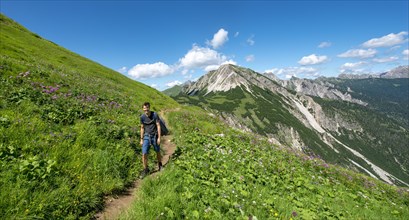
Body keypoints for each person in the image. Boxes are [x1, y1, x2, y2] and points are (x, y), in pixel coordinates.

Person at [140, 102, 163, 177]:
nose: (146, 110)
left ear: (149, 108)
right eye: (144, 108)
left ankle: (160, 165)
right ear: (143, 109)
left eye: (147, 108)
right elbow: (142, 127)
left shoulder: (155, 115)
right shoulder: (142, 117)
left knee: (157, 151)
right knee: (144, 153)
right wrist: (141, 139)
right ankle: (145, 169)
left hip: (155, 136)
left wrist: (159, 138)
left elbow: (158, 126)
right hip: (146, 136)